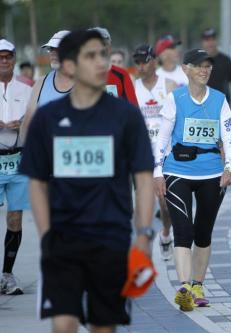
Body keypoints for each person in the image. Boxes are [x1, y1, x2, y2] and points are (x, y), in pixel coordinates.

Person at [19, 29, 155, 333]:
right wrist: (45, 236)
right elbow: (37, 183)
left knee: (102, 326)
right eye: (90, 56)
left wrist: (144, 234)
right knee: (63, 324)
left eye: (102, 55)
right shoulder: (47, 119)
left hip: (111, 238)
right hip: (63, 237)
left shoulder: (126, 117)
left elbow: (144, 179)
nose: (100, 63)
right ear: (68, 65)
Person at [153, 48, 231, 312]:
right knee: (183, 229)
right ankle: (185, 287)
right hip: (177, 171)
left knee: (203, 232)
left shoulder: (220, 99)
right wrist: (157, 172)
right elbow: (162, 139)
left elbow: (228, 137)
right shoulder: (175, 98)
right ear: (185, 69)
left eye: (208, 66)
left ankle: (198, 284)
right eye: (199, 66)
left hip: (212, 173)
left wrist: (229, 167)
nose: (204, 70)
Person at [133, 44, 176, 260]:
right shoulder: (132, 88)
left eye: (145, 61)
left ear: (154, 61)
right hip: (142, 153)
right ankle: (144, 247)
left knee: (165, 204)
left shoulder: (168, 85)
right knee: (142, 205)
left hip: (165, 152)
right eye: (137, 62)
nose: (141, 66)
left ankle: (166, 233)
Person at [0, 39, 32, 295]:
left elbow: (35, 121)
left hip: (19, 159)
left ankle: (7, 275)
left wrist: (21, 124)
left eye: (8, 56)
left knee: (15, 218)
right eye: (0, 57)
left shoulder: (26, 89)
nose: (4, 60)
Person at [19, 30, 72, 143]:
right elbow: (26, 126)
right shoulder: (41, 83)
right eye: (50, 49)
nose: (53, 53)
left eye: (58, 49)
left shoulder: (87, 83)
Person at [90, 27, 139, 106]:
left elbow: (133, 108)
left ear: (109, 48)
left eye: (104, 44)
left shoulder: (122, 74)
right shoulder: (81, 74)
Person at [201, 28, 231, 117]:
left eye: (212, 40)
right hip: (200, 105)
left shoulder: (226, 60)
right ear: (202, 42)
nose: (210, 43)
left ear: (217, 41)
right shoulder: (196, 61)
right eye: (207, 40)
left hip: (222, 106)